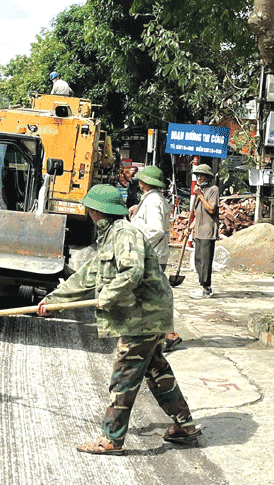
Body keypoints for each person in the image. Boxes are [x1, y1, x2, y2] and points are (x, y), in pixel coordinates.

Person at [37, 184, 200, 455]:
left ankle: (112, 439)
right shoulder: (111, 235)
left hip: (143, 315)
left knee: (124, 374)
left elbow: (132, 270)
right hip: (147, 313)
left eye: (89, 208)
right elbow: (88, 275)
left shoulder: (125, 234)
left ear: (95, 211)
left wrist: (108, 295)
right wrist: (55, 300)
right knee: (156, 369)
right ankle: (185, 425)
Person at [128, 166, 181, 351]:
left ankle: (167, 335)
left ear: (145, 183)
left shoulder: (152, 201)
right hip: (155, 254)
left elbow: (156, 230)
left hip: (152, 254)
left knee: (150, 297)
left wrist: (137, 244)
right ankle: (162, 335)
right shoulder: (152, 199)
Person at [189, 163, 220, 299]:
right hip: (199, 230)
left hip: (208, 231)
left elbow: (212, 209)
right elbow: (198, 211)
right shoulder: (199, 191)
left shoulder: (213, 190)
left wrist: (201, 196)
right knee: (198, 260)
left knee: (205, 261)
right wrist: (191, 226)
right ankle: (202, 285)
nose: (199, 178)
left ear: (208, 177)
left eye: (202, 175)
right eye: (197, 175)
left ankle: (206, 289)